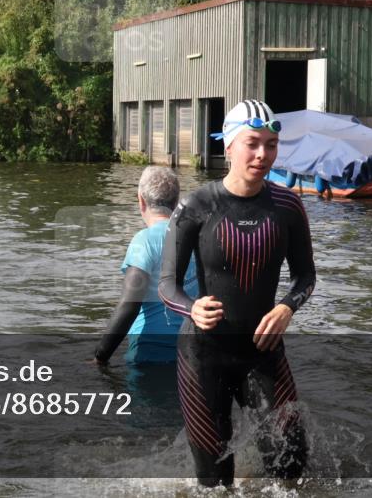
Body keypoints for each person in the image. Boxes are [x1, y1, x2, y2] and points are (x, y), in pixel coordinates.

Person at [159, 99, 316, 487]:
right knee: (215, 479)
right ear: (229, 146)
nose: (263, 154)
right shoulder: (197, 206)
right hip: (203, 353)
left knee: (291, 459)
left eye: (271, 144)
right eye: (252, 143)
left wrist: (287, 307)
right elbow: (166, 285)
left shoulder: (287, 206)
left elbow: (306, 277)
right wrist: (191, 308)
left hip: (262, 351)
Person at [94, 166, 198, 366]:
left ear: (140, 200)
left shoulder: (144, 241)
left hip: (149, 352)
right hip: (192, 351)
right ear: (176, 202)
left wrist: (100, 356)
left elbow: (129, 304)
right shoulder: (195, 236)